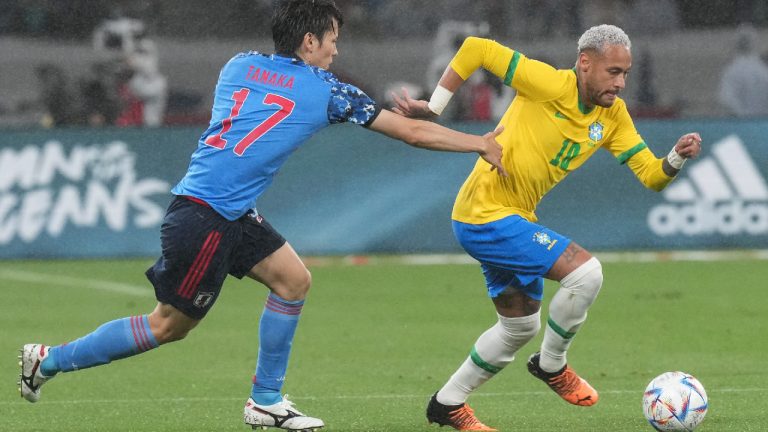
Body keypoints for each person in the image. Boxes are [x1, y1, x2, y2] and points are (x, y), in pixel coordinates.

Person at [19, 1, 507, 431]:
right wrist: (479, 143)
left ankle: (267, 401)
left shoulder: (238, 65)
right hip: (206, 217)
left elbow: (273, 102)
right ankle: (49, 359)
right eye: (333, 41)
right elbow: (411, 134)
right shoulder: (327, 91)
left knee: (293, 280)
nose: (336, 51)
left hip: (221, 210)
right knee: (167, 326)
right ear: (310, 40)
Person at [392, 24, 702, 431]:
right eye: (613, 72)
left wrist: (676, 158)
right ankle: (551, 364)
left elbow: (651, 175)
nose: (621, 83)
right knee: (586, 274)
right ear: (585, 64)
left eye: (625, 73)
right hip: (484, 213)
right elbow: (476, 48)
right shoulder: (548, 83)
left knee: (519, 326)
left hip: (514, 217)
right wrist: (434, 106)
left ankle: (447, 404)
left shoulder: (613, 116)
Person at [718, 24, 768, 118]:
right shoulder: (763, 71)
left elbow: (726, 100)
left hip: (742, 125)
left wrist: (742, 118)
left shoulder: (731, 71)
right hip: (763, 125)